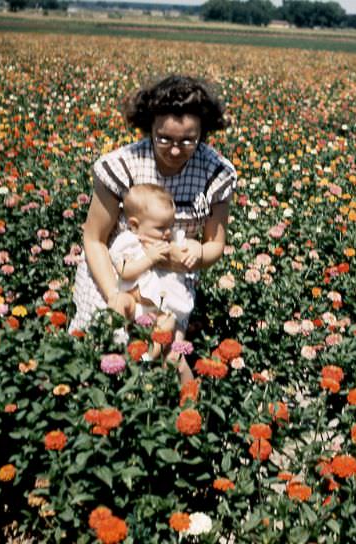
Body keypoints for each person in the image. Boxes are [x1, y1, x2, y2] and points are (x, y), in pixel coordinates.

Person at [70, 74, 237, 380]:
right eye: (165, 139)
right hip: (113, 269)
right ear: (149, 128)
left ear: (204, 132)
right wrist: (115, 296)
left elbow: (215, 245)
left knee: (168, 351)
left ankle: (181, 414)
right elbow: (95, 240)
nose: (175, 150)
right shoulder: (120, 165)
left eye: (188, 140)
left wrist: (196, 252)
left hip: (169, 279)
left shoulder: (216, 173)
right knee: (106, 343)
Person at [108, 184, 195, 347]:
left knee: (168, 324)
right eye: (161, 228)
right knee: (117, 301)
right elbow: (124, 271)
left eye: (170, 225)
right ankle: (118, 336)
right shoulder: (128, 242)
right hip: (133, 303)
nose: (168, 232)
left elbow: (184, 255)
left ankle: (148, 357)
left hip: (158, 309)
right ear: (134, 225)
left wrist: (183, 254)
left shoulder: (168, 241)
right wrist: (149, 259)